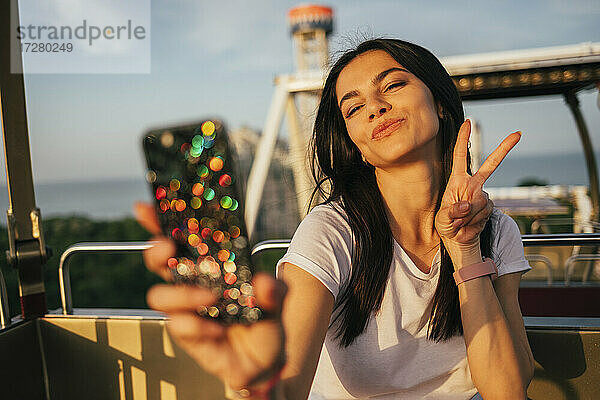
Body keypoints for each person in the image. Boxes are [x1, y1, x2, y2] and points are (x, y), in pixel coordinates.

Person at [135, 38, 535, 400]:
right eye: (355, 107)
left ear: (441, 105)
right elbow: (288, 383)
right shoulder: (331, 232)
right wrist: (258, 381)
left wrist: (464, 249)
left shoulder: (495, 231)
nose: (375, 107)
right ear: (357, 146)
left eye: (393, 85)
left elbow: (508, 391)